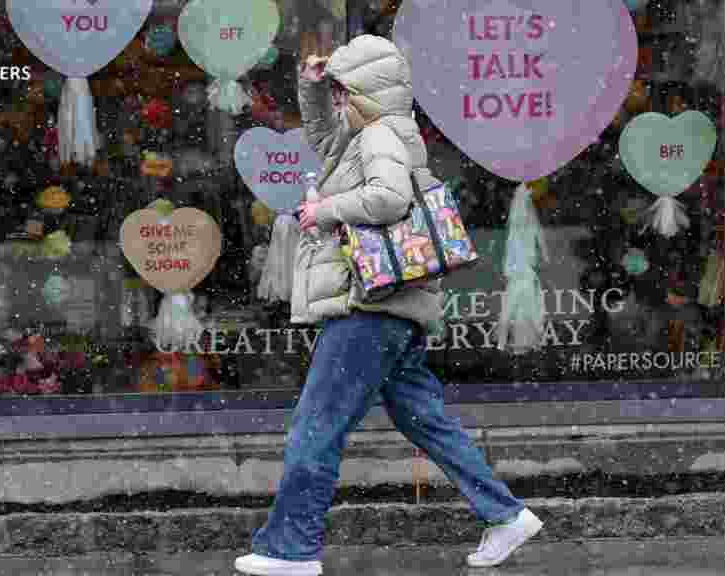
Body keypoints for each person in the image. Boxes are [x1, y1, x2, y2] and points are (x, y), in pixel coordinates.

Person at [233, 35, 543, 576]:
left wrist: (325, 210)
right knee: (426, 421)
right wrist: (311, 85)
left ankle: (290, 549)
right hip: (393, 310)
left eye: (339, 92)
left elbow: (390, 198)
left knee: (318, 425)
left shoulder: (378, 138)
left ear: (360, 94)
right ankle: (506, 514)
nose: (333, 103)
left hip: (368, 308)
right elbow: (323, 134)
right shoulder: (366, 135)